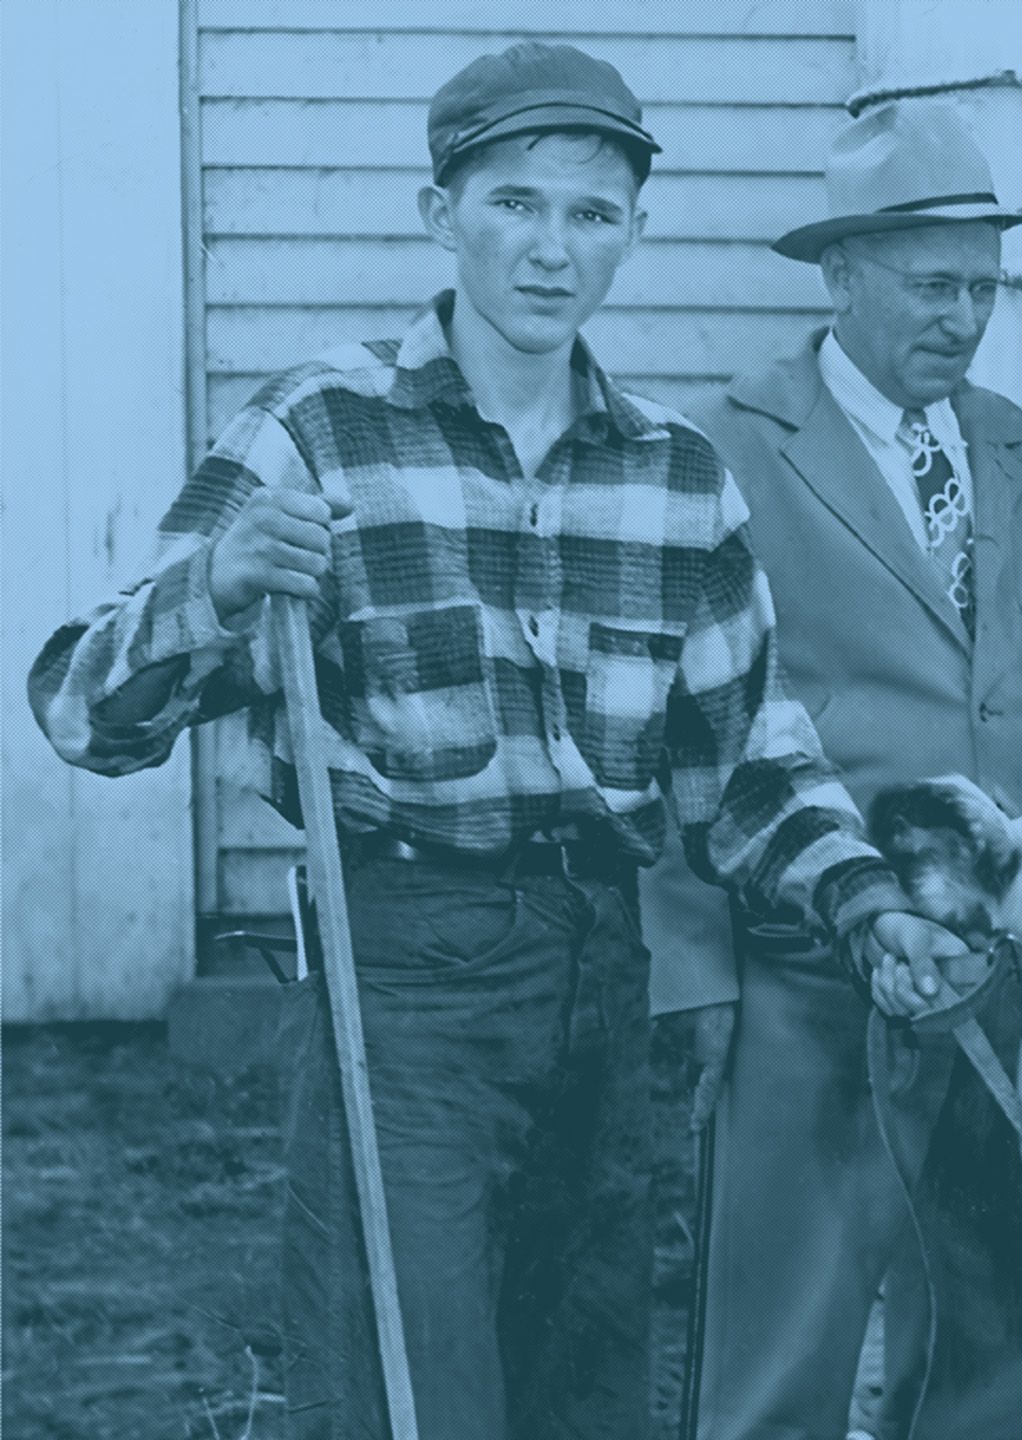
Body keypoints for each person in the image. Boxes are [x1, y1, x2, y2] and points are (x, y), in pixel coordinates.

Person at [25, 42, 966, 1440]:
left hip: (604, 977)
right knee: (413, 1392)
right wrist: (212, 589)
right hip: (401, 983)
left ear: (635, 235)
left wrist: (867, 902)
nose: (552, 250)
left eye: (593, 216)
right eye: (515, 204)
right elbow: (79, 711)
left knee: (582, 1394)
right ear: (440, 214)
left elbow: (750, 768)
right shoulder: (319, 433)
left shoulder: (673, 476)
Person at [640, 101, 1022, 1440]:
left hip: (997, 966)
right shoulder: (730, 447)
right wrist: (695, 973)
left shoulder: (1018, 449)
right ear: (842, 279)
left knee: (997, 1334)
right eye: (934, 286)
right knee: (787, 1329)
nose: (964, 317)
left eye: (986, 289)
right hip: (808, 968)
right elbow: (679, 734)